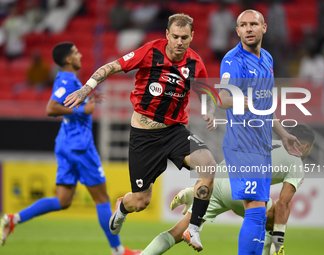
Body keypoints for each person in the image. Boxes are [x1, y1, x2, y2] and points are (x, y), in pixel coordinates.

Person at [63, 13, 217, 252]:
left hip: (175, 131)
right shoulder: (149, 52)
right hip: (144, 137)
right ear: (167, 34)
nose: (179, 42)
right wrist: (86, 88)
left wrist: (208, 110)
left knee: (208, 165)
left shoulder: (195, 63)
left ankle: (193, 227)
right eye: (175, 36)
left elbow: (206, 92)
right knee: (140, 202)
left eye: (184, 38)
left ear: (192, 37)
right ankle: (122, 208)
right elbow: (112, 66)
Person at [0, 42, 142, 255]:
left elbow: (66, 105)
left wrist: (86, 102)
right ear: (68, 59)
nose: (80, 54)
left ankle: (14, 219)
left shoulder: (70, 80)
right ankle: (118, 251)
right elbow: (51, 108)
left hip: (66, 144)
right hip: (79, 146)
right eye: (76, 52)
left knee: (63, 200)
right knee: (102, 198)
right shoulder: (65, 79)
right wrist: (85, 109)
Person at [140, 124, 315, 255]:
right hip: (242, 185)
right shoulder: (297, 162)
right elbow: (283, 203)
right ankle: (275, 249)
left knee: (177, 231)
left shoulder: (270, 142)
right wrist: (279, 239)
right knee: (274, 219)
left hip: (219, 178)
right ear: (305, 146)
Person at [217, 10, 302, 255]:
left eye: (253, 24)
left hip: (262, 145)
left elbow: (265, 106)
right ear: (237, 31)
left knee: (259, 211)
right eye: (243, 25)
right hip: (242, 144)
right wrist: (241, 100)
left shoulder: (267, 59)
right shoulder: (233, 60)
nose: (248, 28)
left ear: (263, 28)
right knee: (255, 210)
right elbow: (223, 97)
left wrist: (283, 134)